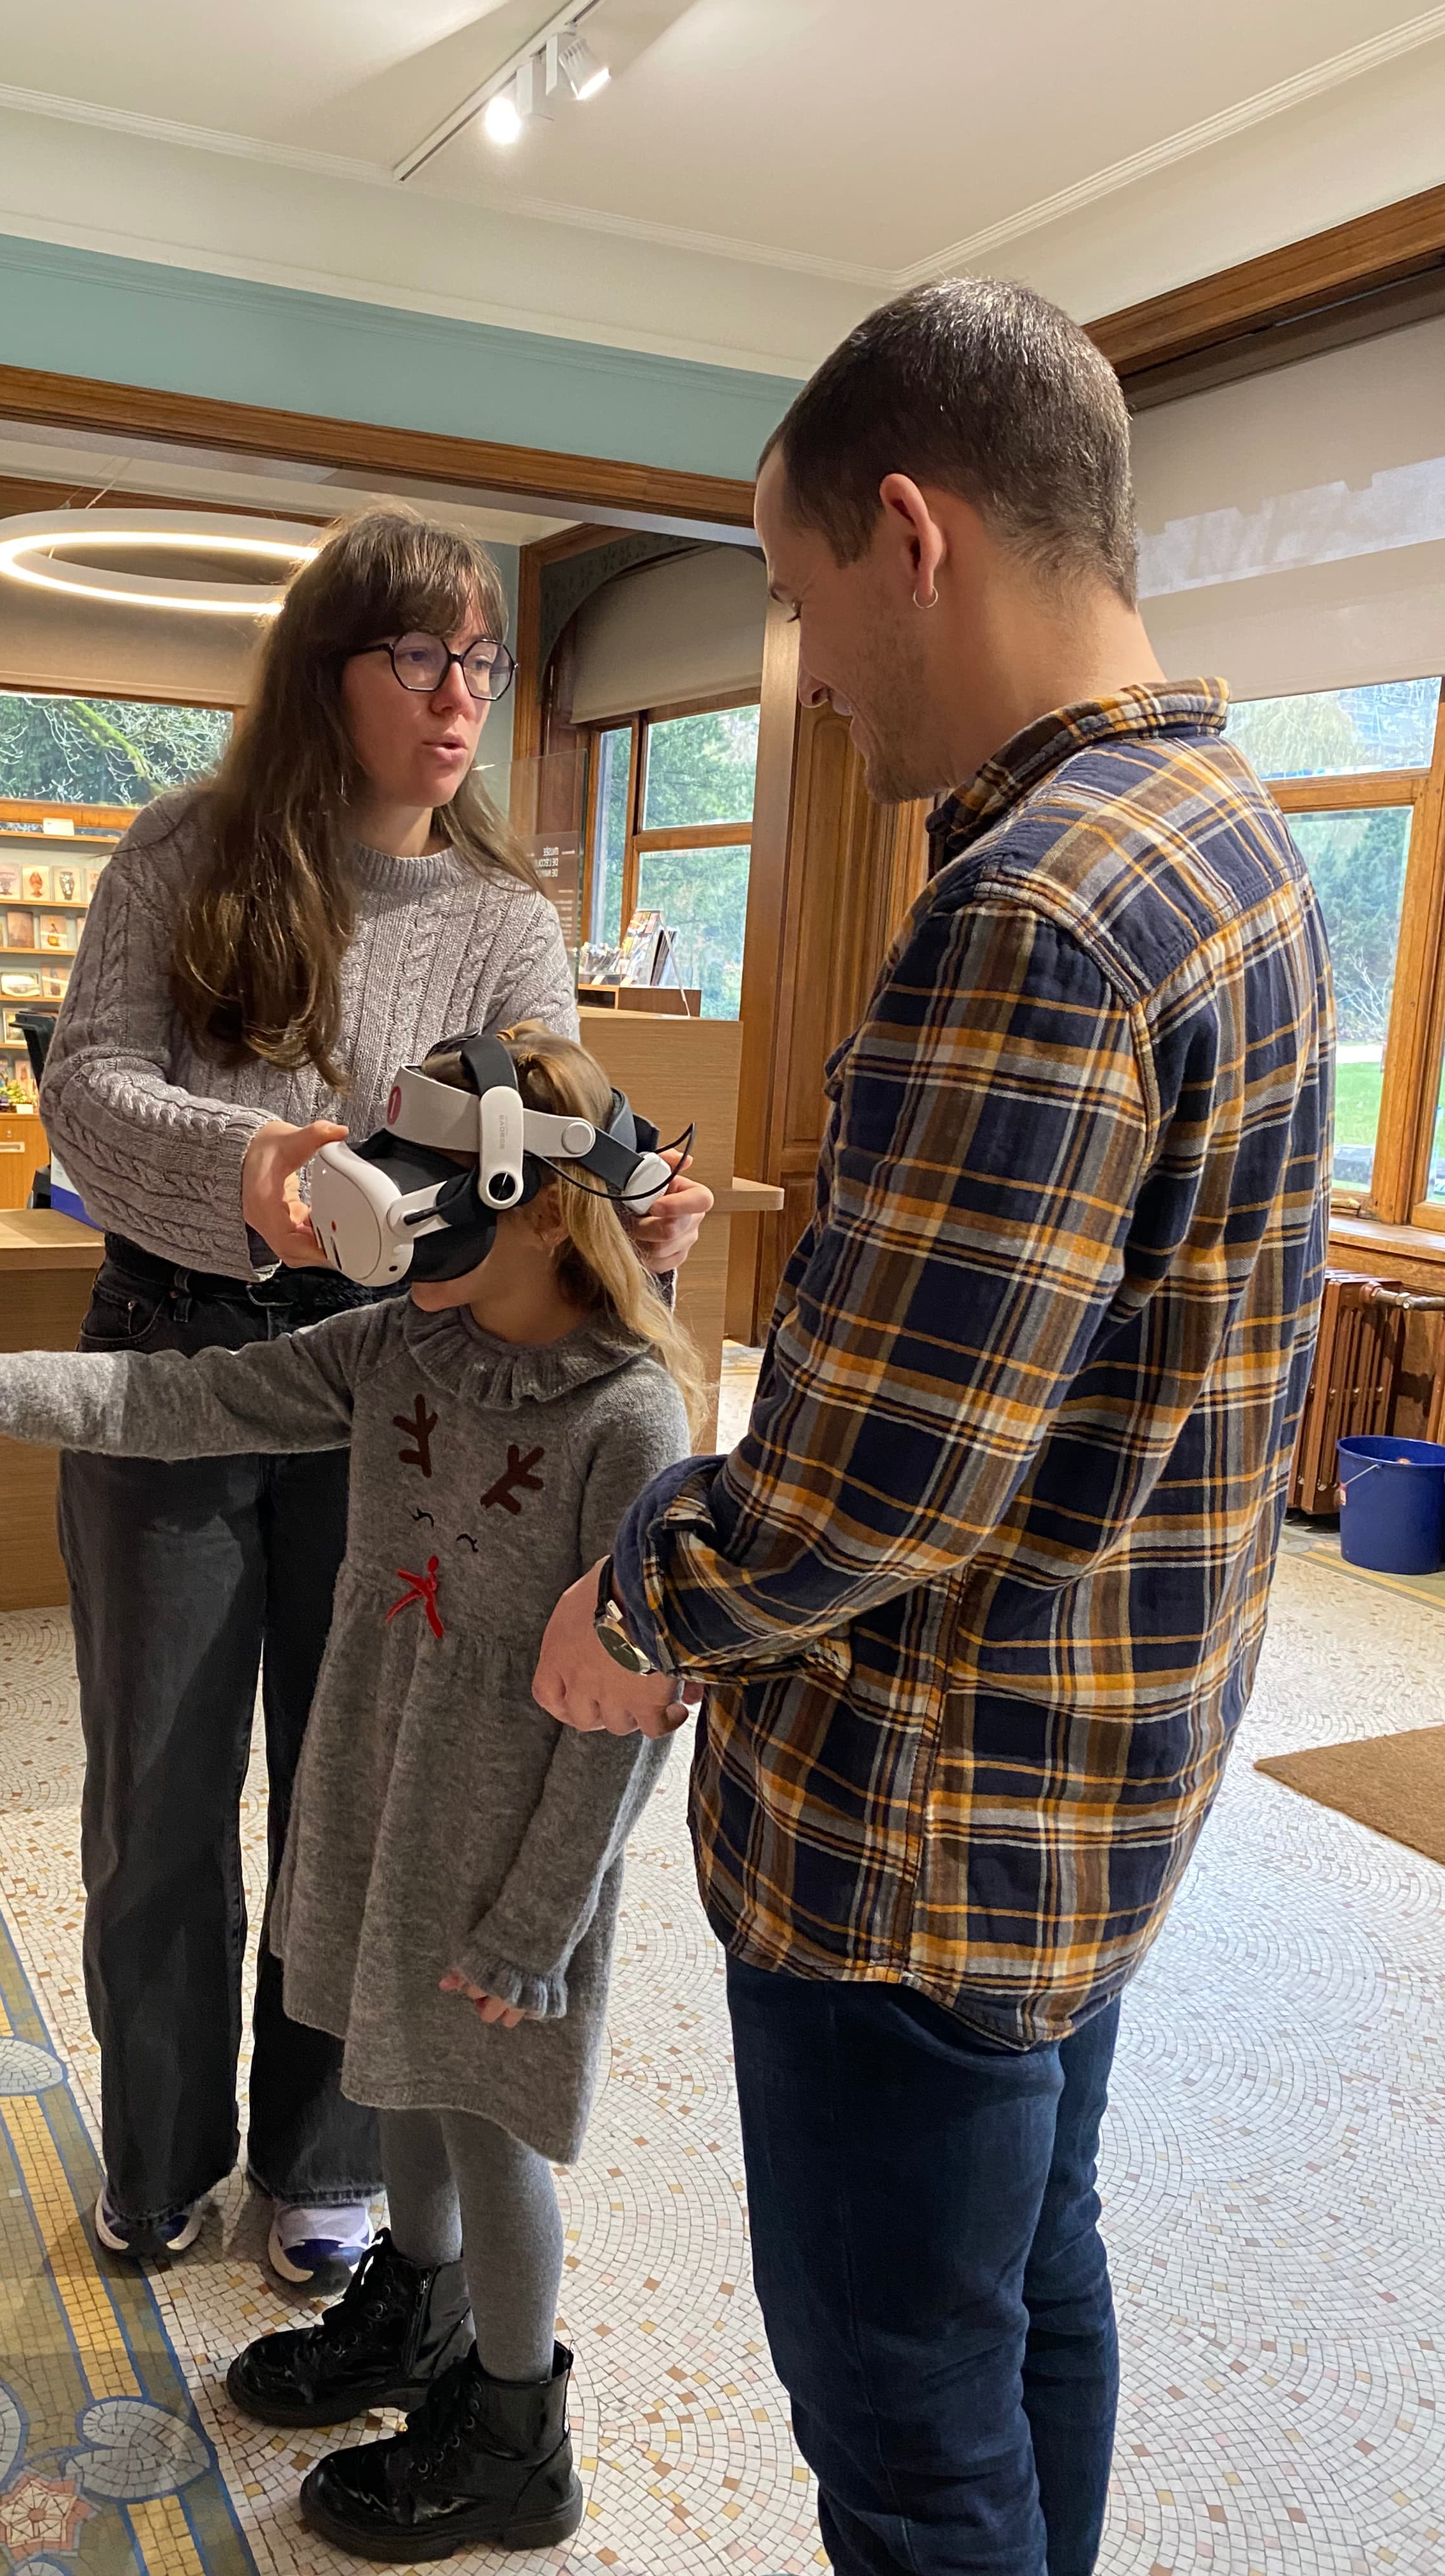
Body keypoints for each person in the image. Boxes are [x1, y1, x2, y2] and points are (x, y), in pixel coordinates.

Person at [529, 278, 1333, 2576]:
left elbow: (878, 1478)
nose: (812, 675)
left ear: (913, 534)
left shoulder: (1035, 911)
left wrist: (637, 1604)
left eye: (802, 603)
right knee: (1034, 2277)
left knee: (900, 2426)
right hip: (1102, 1775)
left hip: (921, 1827)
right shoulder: (1233, 840)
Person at [0, 1023, 700, 2563]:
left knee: (490, 2124)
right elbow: (187, 1399)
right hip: (380, 1798)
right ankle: (418, 2308)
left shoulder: (629, 1418)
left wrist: (539, 1920)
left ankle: (517, 2429)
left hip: (513, 1855)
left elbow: (627, 1722)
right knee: (395, 2072)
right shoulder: (397, 1348)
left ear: (538, 1208)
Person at [31, 507, 712, 2290]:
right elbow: (84, 1089)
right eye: (419, 656)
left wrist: (634, 1212)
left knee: (366, 1787)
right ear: (325, 673)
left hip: (406, 1388)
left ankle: (323, 2161)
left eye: (481, 660)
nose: (459, 694)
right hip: (177, 1342)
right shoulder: (186, 851)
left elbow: (545, 1145)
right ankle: (156, 2151)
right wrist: (250, 1164)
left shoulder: (504, 914)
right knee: (155, 1797)